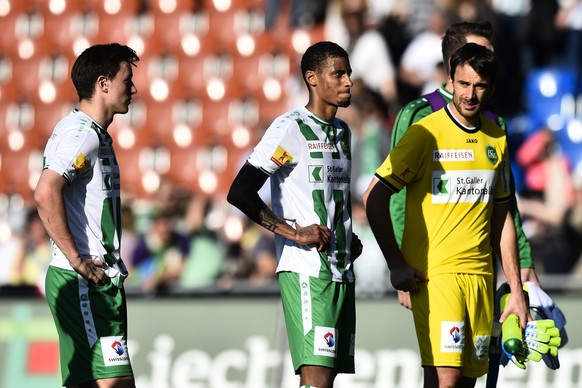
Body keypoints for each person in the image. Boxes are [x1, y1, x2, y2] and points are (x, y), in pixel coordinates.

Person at [363, 43, 530, 387]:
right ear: (450, 82)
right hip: (437, 276)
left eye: (479, 86)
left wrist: (516, 289)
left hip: (480, 279)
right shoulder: (426, 133)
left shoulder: (496, 137)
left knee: (467, 382)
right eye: (463, 84)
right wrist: (395, 262)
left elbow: (503, 219)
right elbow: (376, 197)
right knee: (445, 380)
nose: (470, 94)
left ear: (491, 88)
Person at [227, 41, 363, 388]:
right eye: (339, 74)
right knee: (315, 379)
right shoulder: (290, 127)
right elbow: (240, 191)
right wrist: (292, 233)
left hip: (341, 269)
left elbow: (334, 195)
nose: (348, 81)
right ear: (312, 78)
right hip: (307, 270)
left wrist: (349, 236)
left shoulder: (343, 133)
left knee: (325, 379)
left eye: (348, 73)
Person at [389, 20, 540, 311]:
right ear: (454, 63)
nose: (489, 61)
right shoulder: (420, 114)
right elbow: (397, 197)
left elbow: (505, 204)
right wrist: (402, 263)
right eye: (480, 52)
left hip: (482, 269)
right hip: (432, 267)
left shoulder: (495, 123)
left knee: (485, 357)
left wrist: (523, 258)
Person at [34, 43, 139, 388]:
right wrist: (77, 260)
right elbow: (46, 191)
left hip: (100, 281)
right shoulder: (81, 135)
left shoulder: (94, 136)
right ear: (103, 84)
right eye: (127, 79)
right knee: (115, 383)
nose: (133, 89)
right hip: (84, 281)